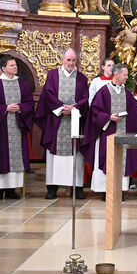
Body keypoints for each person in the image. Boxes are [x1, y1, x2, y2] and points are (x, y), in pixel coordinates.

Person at [83, 63, 137, 196]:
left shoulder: (127, 93)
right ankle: (105, 191)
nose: (127, 77)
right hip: (107, 133)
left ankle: (120, 191)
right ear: (116, 74)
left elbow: (136, 112)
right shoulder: (104, 91)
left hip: (123, 134)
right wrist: (108, 117)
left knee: (122, 159)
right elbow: (95, 111)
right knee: (107, 158)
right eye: (125, 75)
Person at [35, 48, 89, 199]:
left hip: (74, 121)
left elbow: (85, 98)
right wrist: (61, 108)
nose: (71, 63)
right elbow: (48, 93)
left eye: (73, 60)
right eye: (68, 60)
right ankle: (52, 188)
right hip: (56, 121)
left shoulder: (82, 78)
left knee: (76, 155)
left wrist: (74, 108)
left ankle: (77, 187)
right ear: (62, 60)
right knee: (54, 157)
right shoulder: (53, 75)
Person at [0, 56, 34, 199]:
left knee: (16, 157)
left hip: (18, 126)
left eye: (15, 65)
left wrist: (20, 108)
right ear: (3, 68)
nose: (15, 67)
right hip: (1, 127)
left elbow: (29, 103)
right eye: (11, 65)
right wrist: (4, 108)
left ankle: (12, 189)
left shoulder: (22, 84)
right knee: (1, 157)